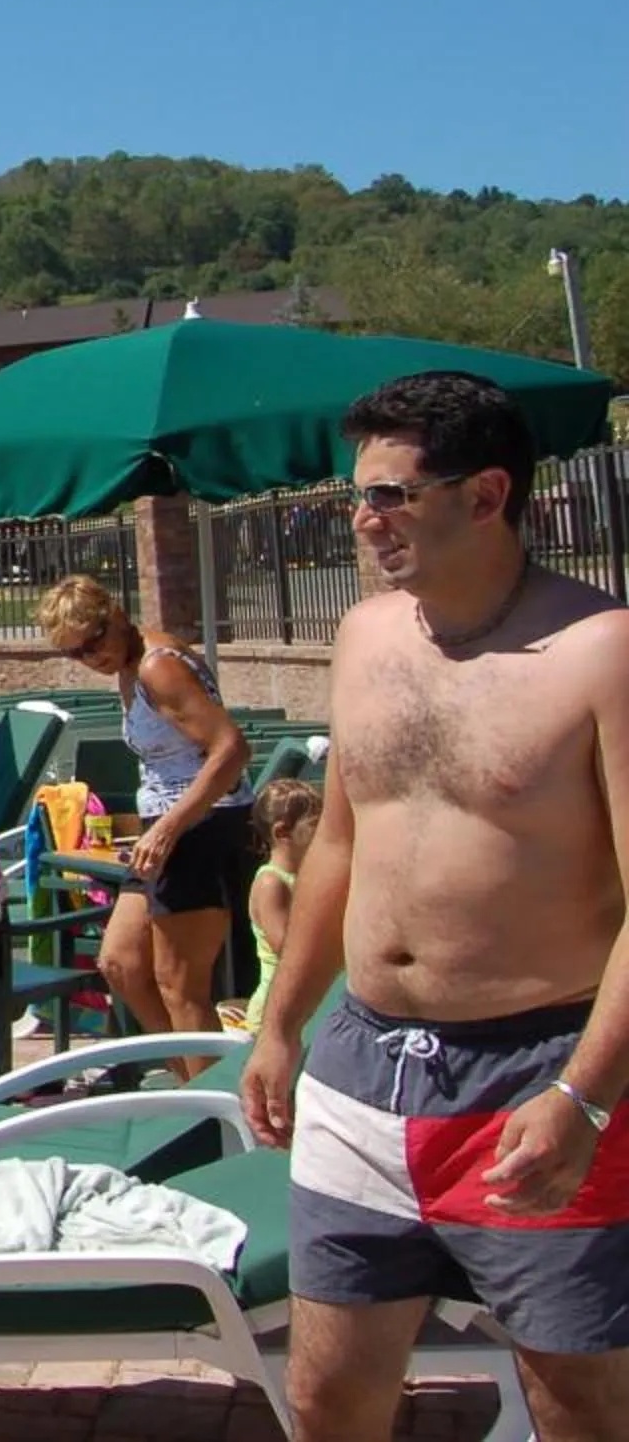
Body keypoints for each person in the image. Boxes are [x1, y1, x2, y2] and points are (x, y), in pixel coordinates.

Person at [243, 372, 629, 1436]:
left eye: (389, 495)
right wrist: (283, 1022)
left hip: (537, 1070)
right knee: (326, 1390)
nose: (362, 520)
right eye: (354, 497)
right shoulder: (366, 636)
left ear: (486, 493)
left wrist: (586, 1097)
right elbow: (343, 840)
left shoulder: (602, 652)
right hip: (365, 1065)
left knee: (578, 1399)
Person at [39, 574, 252, 1079]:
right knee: (121, 963)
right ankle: (189, 1078)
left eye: (94, 642)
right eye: (76, 654)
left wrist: (167, 828)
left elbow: (232, 750)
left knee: (180, 984)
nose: (92, 658)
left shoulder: (158, 668)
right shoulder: (130, 666)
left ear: (115, 615)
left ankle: (213, 1109)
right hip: (168, 828)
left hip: (202, 827)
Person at [240, 776, 321, 1036]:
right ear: (282, 832)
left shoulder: (309, 876)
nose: (323, 834)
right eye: (315, 826)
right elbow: (287, 950)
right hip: (275, 1014)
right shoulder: (271, 883)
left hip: (308, 1007)